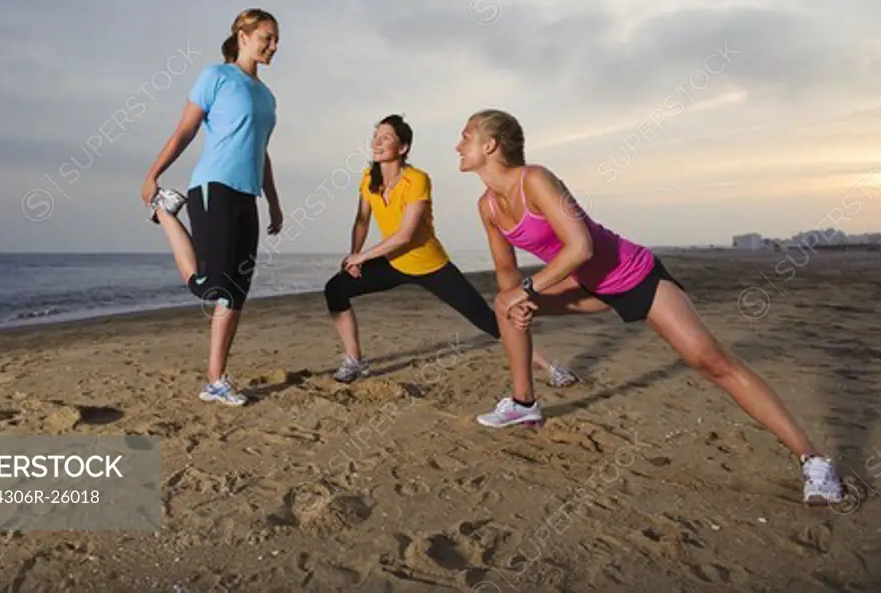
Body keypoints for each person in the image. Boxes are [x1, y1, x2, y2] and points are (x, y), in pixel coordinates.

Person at [455, 108, 843, 505]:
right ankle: (524, 405)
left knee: (711, 361)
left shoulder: (535, 179)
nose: (457, 145)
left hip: (636, 277)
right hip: (585, 285)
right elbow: (506, 272)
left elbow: (580, 246)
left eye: (466, 137)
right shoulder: (488, 206)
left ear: (490, 145)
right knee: (505, 305)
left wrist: (527, 289)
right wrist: (518, 302)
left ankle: (814, 460)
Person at [324, 113, 578, 388]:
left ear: (403, 148)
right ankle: (354, 359)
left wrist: (362, 256)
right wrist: (354, 257)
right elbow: (362, 220)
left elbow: (405, 236)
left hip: (430, 266)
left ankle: (550, 367)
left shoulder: (417, 180)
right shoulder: (368, 178)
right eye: (376, 135)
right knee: (336, 289)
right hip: (393, 264)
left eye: (386, 137)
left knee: (488, 320)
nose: (378, 141)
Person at [140, 8, 284, 407]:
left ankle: (217, 380)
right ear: (243, 35)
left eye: (276, 40)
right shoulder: (216, 77)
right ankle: (165, 212)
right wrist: (153, 174)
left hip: (246, 194)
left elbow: (262, 151)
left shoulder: (267, 97)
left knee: (236, 292)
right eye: (266, 37)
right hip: (213, 187)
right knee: (210, 285)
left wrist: (273, 201)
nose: (273, 46)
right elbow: (185, 129)